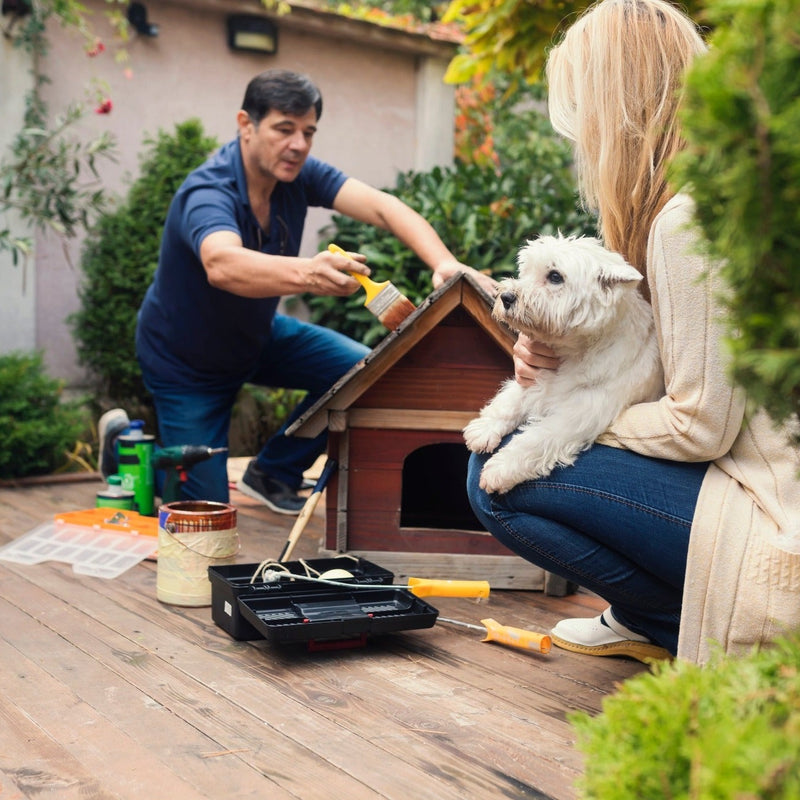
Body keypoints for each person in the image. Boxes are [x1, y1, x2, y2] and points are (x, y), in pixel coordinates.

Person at [467, 0, 800, 664]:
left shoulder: (686, 223)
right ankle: (650, 615)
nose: (580, 138)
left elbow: (701, 423)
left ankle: (677, 626)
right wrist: (560, 357)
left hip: (770, 515)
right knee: (515, 443)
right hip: (770, 483)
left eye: (583, 112)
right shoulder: (734, 189)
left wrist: (573, 416)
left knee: (493, 479)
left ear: (620, 111)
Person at [120, 68, 496, 515]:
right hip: (187, 365)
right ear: (246, 124)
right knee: (204, 516)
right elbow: (222, 264)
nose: (298, 144)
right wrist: (308, 274)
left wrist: (444, 262)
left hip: (255, 337)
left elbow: (384, 206)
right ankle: (122, 453)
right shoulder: (208, 191)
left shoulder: (298, 175)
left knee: (361, 371)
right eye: (284, 129)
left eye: (308, 132)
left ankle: (273, 473)